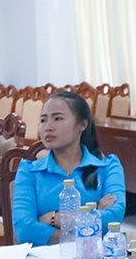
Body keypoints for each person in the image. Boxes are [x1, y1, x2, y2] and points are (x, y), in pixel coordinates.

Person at [12, 91, 126, 245]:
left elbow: (113, 218)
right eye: (43, 120)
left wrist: (53, 218)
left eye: (58, 118)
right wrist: (93, 217)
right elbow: (25, 230)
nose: (48, 127)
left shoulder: (107, 167)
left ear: (82, 125)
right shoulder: (29, 171)